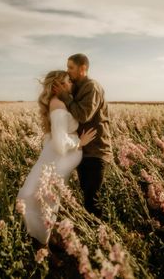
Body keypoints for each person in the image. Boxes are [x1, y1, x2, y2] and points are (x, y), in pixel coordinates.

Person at [17, 70, 96, 245]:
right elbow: (60, 142)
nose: (72, 83)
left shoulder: (60, 103)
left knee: (48, 196)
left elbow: (53, 136)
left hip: (59, 159)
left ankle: (43, 237)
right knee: (47, 198)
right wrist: (79, 142)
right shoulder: (58, 105)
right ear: (57, 86)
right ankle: (42, 242)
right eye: (68, 81)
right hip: (59, 159)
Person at [53, 54, 113, 218]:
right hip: (83, 149)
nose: (68, 70)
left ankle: (103, 237)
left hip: (96, 150)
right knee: (88, 196)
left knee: (93, 200)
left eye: (71, 67)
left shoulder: (91, 87)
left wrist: (65, 97)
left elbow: (83, 115)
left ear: (83, 69)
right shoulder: (76, 87)